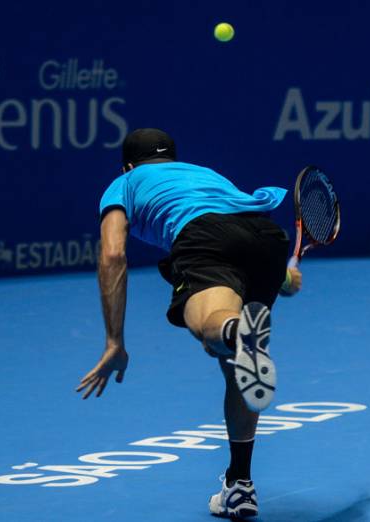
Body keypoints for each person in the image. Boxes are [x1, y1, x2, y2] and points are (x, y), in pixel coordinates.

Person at [76, 128, 302, 520]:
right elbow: (241, 233)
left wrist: (115, 341)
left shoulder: (124, 182)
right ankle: (239, 486)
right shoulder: (204, 174)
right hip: (265, 237)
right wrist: (282, 278)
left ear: (128, 165)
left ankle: (234, 331)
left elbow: (112, 254)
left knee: (211, 329)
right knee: (236, 365)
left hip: (204, 236)